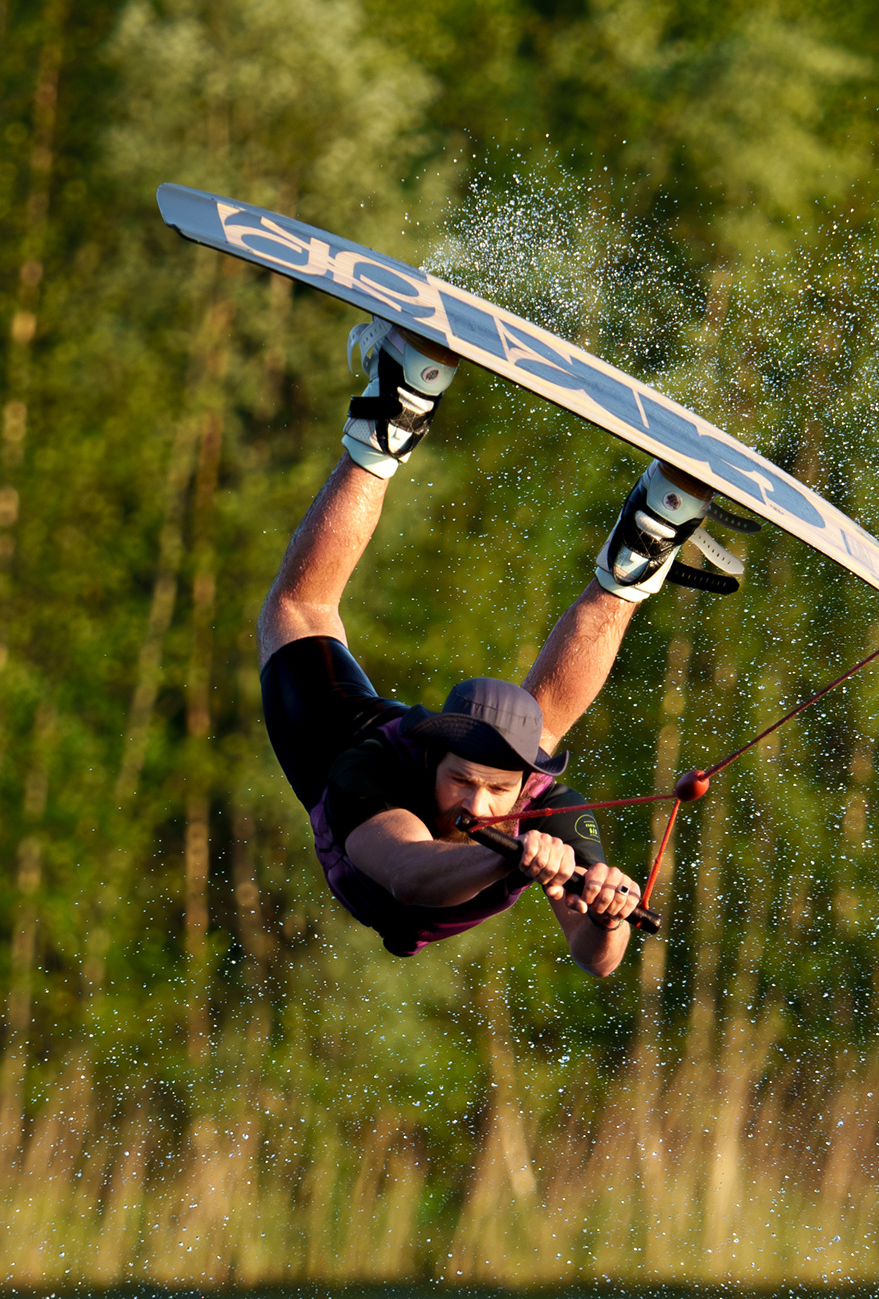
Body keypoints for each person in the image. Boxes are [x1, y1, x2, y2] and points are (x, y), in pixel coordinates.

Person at [257, 320, 747, 976]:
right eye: (462, 780)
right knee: (298, 610)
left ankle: (649, 530)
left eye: (497, 790)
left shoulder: (542, 806)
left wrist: (606, 917)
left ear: (525, 786)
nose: (478, 806)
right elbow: (408, 874)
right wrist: (512, 860)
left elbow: (597, 958)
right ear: (431, 759)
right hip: (347, 748)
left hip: (453, 772)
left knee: (530, 729)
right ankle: (387, 425)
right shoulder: (367, 772)